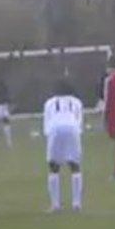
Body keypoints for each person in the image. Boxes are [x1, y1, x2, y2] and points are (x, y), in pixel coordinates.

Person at [43, 80, 84, 213]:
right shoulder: (77, 102)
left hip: (55, 130)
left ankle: (55, 205)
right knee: (75, 166)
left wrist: (49, 136)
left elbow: (47, 123)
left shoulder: (49, 102)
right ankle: (76, 204)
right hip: (72, 129)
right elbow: (79, 121)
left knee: (54, 167)